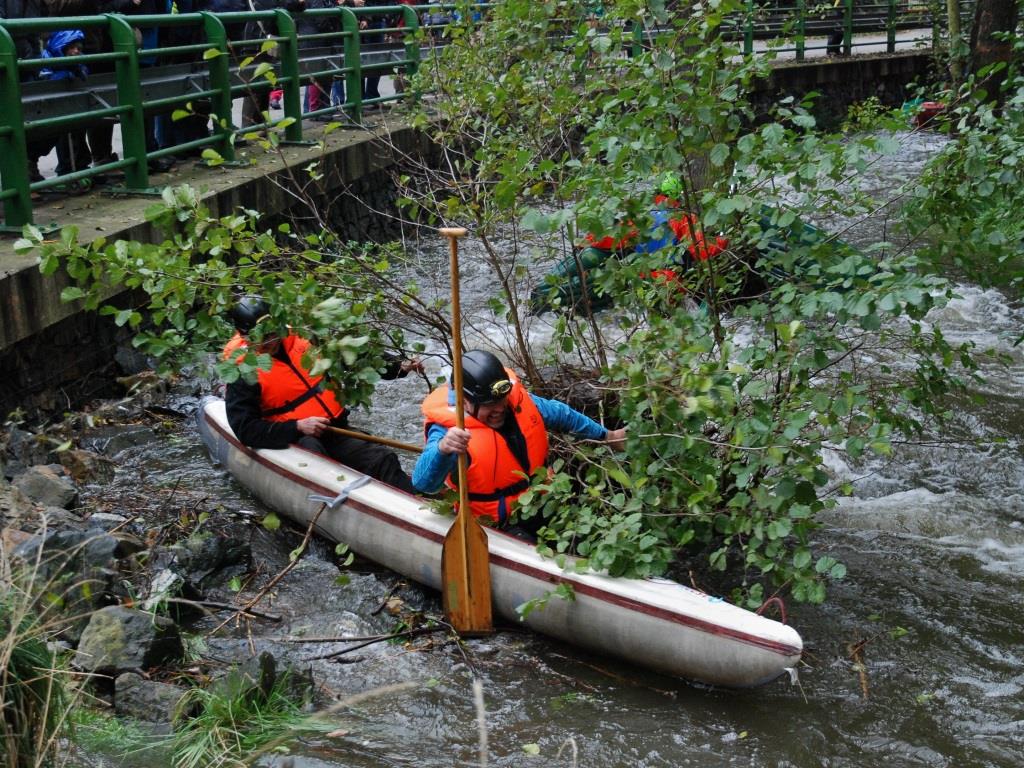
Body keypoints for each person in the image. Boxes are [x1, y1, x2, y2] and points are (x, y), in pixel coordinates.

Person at [222, 296, 423, 493]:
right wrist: (298, 426)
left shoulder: (306, 335)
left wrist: (400, 366)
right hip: (293, 439)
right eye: (261, 338)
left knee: (382, 458)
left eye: (272, 333)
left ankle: (422, 502)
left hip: (334, 429)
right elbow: (245, 429)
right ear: (246, 337)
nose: (270, 342)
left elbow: (353, 355)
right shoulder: (243, 370)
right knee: (315, 456)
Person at [413, 350, 626, 528]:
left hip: (544, 500)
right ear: (464, 401)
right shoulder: (449, 433)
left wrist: (607, 436)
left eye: (501, 400)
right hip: (497, 524)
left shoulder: (516, 402)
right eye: (488, 404)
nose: (499, 409)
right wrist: (443, 449)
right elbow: (424, 484)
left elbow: (560, 414)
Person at [39, 29, 93, 191]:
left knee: (78, 135)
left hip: (74, 104)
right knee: (63, 138)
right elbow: (46, 77)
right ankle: (66, 170)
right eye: (71, 48)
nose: (76, 51)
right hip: (56, 106)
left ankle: (80, 167)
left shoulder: (77, 64)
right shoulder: (49, 58)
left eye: (78, 48)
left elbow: (84, 73)